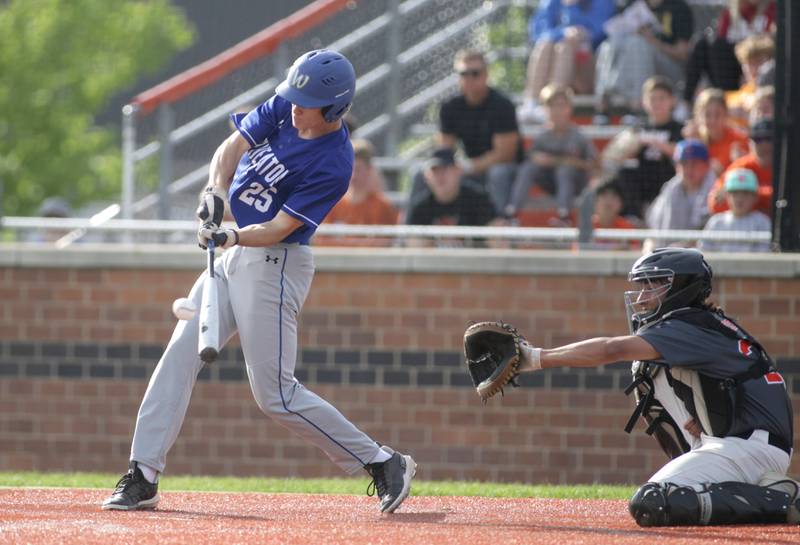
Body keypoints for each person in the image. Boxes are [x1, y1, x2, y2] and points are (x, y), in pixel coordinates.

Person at [102, 49, 416, 514]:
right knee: (180, 352)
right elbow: (231, 149)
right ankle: (143, 473)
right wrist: (214, 192)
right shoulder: (285, 106)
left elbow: (279, 229)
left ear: (333, 109)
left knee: (276, 396)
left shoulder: (335, 160)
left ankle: (382, 461)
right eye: (292, 96)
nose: (293, 107)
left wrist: (229, 232)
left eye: (306, 102)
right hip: (235, 257)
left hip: (276, 264)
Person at [494, 247, 797, 526]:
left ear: (683, 287)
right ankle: (761, 489)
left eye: (654, 285)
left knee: (653, 503)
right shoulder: (700, 324)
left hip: (747, 447)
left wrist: (534, 358)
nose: (643, 296)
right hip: (741, 442)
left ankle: (781, 500)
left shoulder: (690, 324)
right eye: (643, 286)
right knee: (647, 369)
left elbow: (611, 349)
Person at [410, 49, 521, 215]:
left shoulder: (502, 106)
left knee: (498, 174)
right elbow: (444, 151)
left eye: (475, 73)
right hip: (469, 168)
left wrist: (468, 166)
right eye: (463, 73)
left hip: (505, 169)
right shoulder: (450, 107)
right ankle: (412, 232)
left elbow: (505, 154)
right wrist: (448, 169)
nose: (469, 78)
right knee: (422, 174)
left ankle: (498, 230)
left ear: (485, 75)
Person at [505, 84, 597, 223]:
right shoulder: (542, 136)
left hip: (575, 183)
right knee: (528, 168)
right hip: (550, 182)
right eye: (552, 106)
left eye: (561, 106)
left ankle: (564, 217)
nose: (557, 111)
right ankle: (512, 213)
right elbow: (532, 158)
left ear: (570, 108)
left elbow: (592, 165)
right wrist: (538, 159)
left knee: (564, 171)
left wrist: (558, 161)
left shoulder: (578, 136)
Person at [518, 0, 616, 123]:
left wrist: (574, 12)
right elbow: (539, 31)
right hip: (560, 57)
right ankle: (531, 103)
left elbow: (602, 30)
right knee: (545, 45)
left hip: (590, 69)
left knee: (568, 45)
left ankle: (552, 104)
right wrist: (563, 32)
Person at [594, 0, 694, 120]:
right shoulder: (632, 5)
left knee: (639, 44)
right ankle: (603, 104)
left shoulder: (678, 7)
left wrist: (652, 40)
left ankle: (637, 108)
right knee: (611, 43)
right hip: (631, 68)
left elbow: (682, 53)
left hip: (672, 71)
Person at [614, 76, 684, 217]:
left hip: (667, 176)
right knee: (625, 174)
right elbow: (617, 155)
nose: (657, 103)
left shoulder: (680, 128)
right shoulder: (638, 128)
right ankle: (633, 217)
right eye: (652, 99)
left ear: (672, 101)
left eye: (662, 98)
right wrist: (634, 145)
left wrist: (657, 144)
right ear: (644, 102)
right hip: (643, 179)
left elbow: (682, 151)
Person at [683, 0, 776, 105]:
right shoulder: (730, 13)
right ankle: (687, 101)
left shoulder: (772, 9)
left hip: (760, 60)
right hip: (733, 66)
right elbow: (720, 42)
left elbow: (771, 42)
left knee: (752, 54)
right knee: (702, 45)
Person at [645, 140, 716, 242]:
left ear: (706, 166)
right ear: (677, 167)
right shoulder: (671, 188)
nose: (689, 169)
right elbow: (654, 224)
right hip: (672, 249)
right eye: (684, 163)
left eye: (695, 164)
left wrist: (685, 245)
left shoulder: (716, 189)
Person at [707, 117, 773, 216]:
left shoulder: (791, 167)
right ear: (750, 143)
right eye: (758, 139)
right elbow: (715, 204)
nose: (764, 144)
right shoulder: (741, 167)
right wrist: (761, 200)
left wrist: (746, 193)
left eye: (769, 139)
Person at [700, 168, 771, 253]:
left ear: (755, 197)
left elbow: (764, 256)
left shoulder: (762, 222)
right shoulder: (716, 222)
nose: (740, 198)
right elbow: (704, 253)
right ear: (727, 196)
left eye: (745, 193)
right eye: (735, 193)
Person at [682, 88, 749, 177]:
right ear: (698, 116)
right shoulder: (694, 140)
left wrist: (738, 162)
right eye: (707, 115)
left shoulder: (739, 139)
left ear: (726, 115)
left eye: (717, 114)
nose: (713, 120)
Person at [726, 34, 775, 128]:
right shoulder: (732, 97)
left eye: (759, 61)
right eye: (749, 63)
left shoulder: (777, 93)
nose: (754, 69)